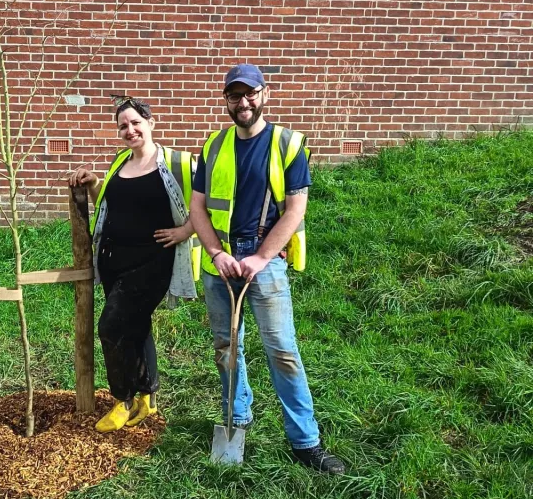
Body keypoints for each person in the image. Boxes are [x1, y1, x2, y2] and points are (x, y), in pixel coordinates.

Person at [190, 64, 345, 474]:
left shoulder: (288, 144)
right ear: (225, 100)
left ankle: (305, 441)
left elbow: (296, 210)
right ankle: (235, 419)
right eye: (234, 96)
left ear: (264, 94)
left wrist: (259, 258)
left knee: (283, 352)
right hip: (220, 263)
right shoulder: (213, 146)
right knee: (227, 349)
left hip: (265, 264)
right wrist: (215, 252)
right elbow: (198, 208)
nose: (242, 103)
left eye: (249, 94)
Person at [69, 98, 198, 433]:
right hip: (114, 261)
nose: (130, 130)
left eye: (135, 122)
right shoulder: (119, 163)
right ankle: (148, 396)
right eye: (123, 126)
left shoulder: (178, 163)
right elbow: (110, 205)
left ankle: (122, 398)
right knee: (137, 326)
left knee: (111, 327)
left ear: (150, 122)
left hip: (152, 261)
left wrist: (186, 230)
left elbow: (208, 202)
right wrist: (95, 183)